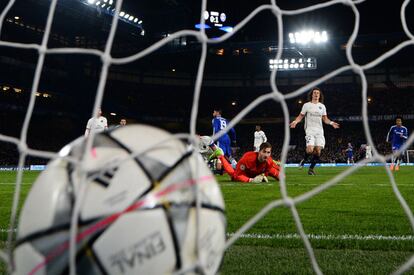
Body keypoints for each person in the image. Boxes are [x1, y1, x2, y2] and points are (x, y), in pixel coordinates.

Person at [289, 87, 340, 175]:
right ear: (312, 95)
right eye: (315, 93)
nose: (316, 94)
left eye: (318, 93)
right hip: (310, 130)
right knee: (309, 150)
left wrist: (331, 123)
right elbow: (300, 116)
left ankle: (311, 169)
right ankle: (304, 160)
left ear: (319, 96)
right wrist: (295, 121)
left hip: (319, 131)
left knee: (318, 151)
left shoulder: (322, 106)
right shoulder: (306, 105)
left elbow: (325, 119)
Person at [211, 142, 280, 183]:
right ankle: (220, 155)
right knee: (233, 176)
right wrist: (250, 180)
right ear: (259, 151)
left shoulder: (269, 161)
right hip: (244, 172)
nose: (266, 155)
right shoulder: (248, 158)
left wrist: (263, 176)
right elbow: (238, 175)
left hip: (257, 171)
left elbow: (266, 173)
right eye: (264, 152)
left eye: (268, 152)